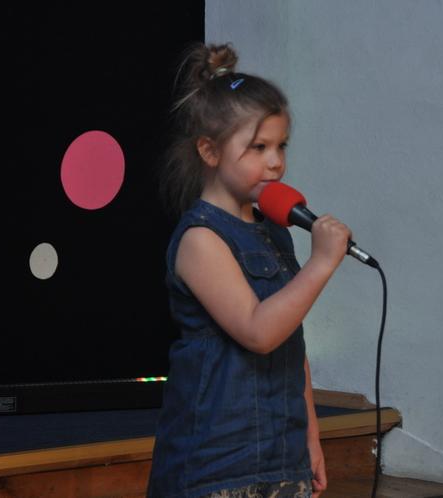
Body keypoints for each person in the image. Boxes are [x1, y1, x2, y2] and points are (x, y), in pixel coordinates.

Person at [147, 42, 352, 498]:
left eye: (281, 146)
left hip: (281, 456)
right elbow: (258, 331)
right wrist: (321, 262)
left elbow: (291, 339)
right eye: (259, 147)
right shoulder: (201, 239)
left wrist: (310, 435)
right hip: (217, 465)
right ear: (210, 151)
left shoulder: (274, 232)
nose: (276, 161)